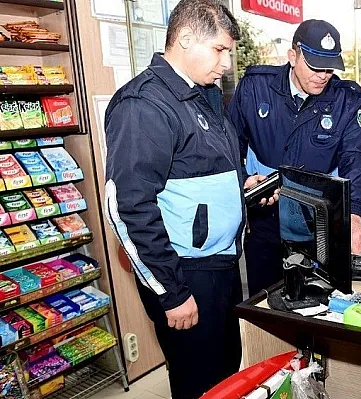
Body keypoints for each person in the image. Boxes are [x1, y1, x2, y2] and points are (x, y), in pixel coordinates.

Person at [103, 1, 259, 398]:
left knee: (226, 375)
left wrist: (241, 188)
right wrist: (172, 293)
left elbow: (198, 171)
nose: (226, 63)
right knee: (199, 383)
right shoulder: (143, 104)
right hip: (185, 273)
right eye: (220, 50)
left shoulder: (202, 94)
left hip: (220, 265)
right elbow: (127, 207)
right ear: (186, 39)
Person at [229, 19, 361, 296]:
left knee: (317, 307)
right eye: (314, 66)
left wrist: (354, 216)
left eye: (329, 68)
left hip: (316, 226)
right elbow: (228, 148)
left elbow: (356, 160)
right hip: (264, 220)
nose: (323, 75)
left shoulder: (347, 100)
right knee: (264, 305)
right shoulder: (255, 88)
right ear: (292, 56)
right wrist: (243, 184)